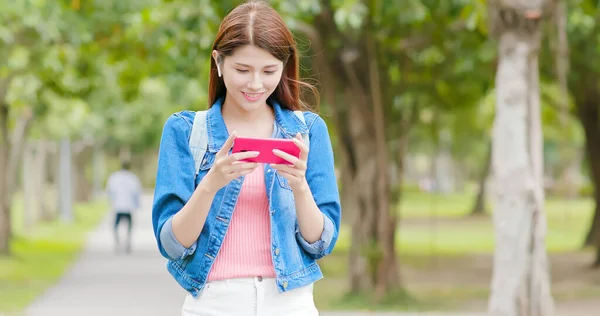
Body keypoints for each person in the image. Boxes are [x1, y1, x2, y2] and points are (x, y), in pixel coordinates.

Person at [151, 1, 341, 315]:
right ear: (219, 62)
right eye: (242, 69)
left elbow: (320, 243)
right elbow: (172, 244)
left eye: (268, 71)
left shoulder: (308, 131)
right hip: (213, 303)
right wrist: (211, 183)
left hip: (289, 303)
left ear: (284, 65)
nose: (255, 84)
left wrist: (299, 186)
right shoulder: (185, 131)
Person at [106, 160, 142, 254]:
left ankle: (118, 242)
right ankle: (127, 242)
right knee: (129, 226)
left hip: (117, 206)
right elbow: (136, 193)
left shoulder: (114, 177)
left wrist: (111, 202)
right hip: (129, 207)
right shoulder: (133, 178)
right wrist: (137, 205)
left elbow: (109, 191)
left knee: (115, 226)